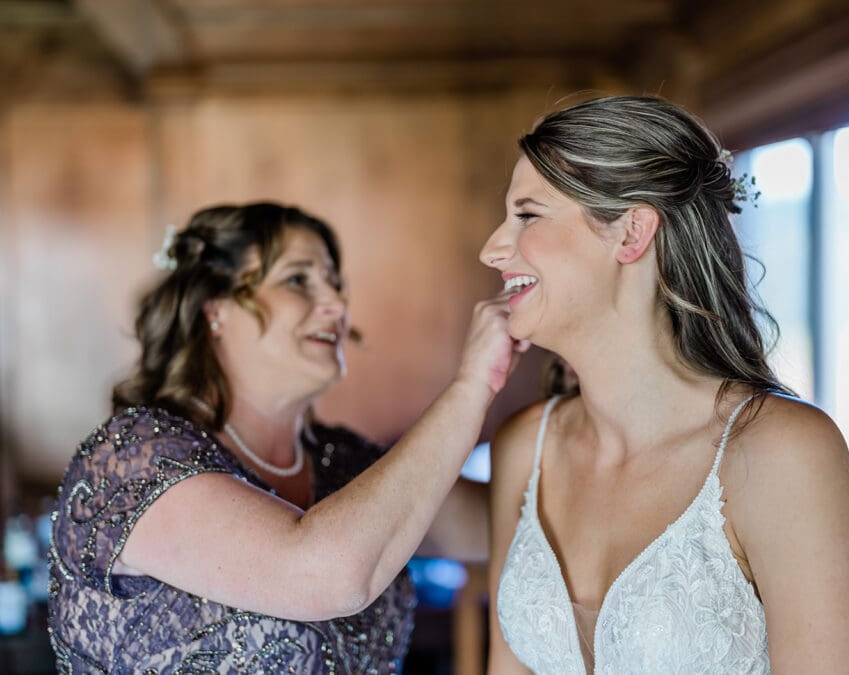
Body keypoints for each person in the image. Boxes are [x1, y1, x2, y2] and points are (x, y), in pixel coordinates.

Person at [481, 96, 849, 674]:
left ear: (631, 233)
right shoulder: (523, 448)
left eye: (528, 214)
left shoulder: (783, 455)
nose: (493, 248)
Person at [47, 202, 525, 673]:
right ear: (215, 308)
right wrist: (472, 386)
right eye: (298, 279)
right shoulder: (132, 459)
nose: (337, 304)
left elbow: (508, 526)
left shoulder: (346, 464)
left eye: (335, 283)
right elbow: (324, 576)